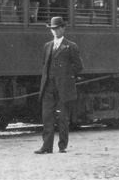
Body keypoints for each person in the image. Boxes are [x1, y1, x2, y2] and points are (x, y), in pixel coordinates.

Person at [35, 17, 83, 155]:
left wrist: (66, 76)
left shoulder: (70, 46)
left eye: (57, 28)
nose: (54, 31)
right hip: (48, 86)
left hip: (63, 87)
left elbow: (79, 66)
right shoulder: (47, 46)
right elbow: (45, 65)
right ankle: (46, 147)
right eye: (52, 29)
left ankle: (62, 146)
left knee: (63, 118)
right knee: (47, 117)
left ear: (63, 28)